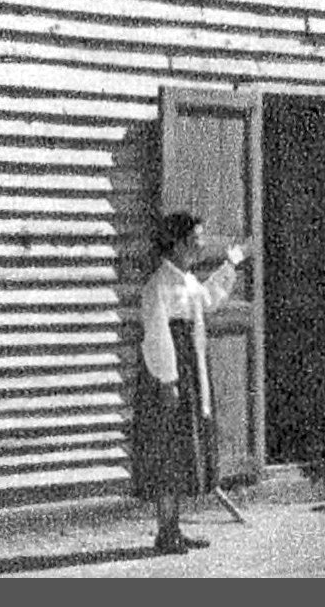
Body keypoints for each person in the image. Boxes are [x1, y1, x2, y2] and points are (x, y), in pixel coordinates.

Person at [135, 210, 248, 553]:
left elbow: (208, 299)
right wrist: (167, 381)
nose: (201, 245)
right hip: (168, 373)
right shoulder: (159, 284)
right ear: (179, 243)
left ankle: (173, 529)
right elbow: (157, 335)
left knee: (181, 448)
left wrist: (231, 263)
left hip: (187, 370)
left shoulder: (185, 280)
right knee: (166, 450)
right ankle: (166, 531)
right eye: (196, 239)